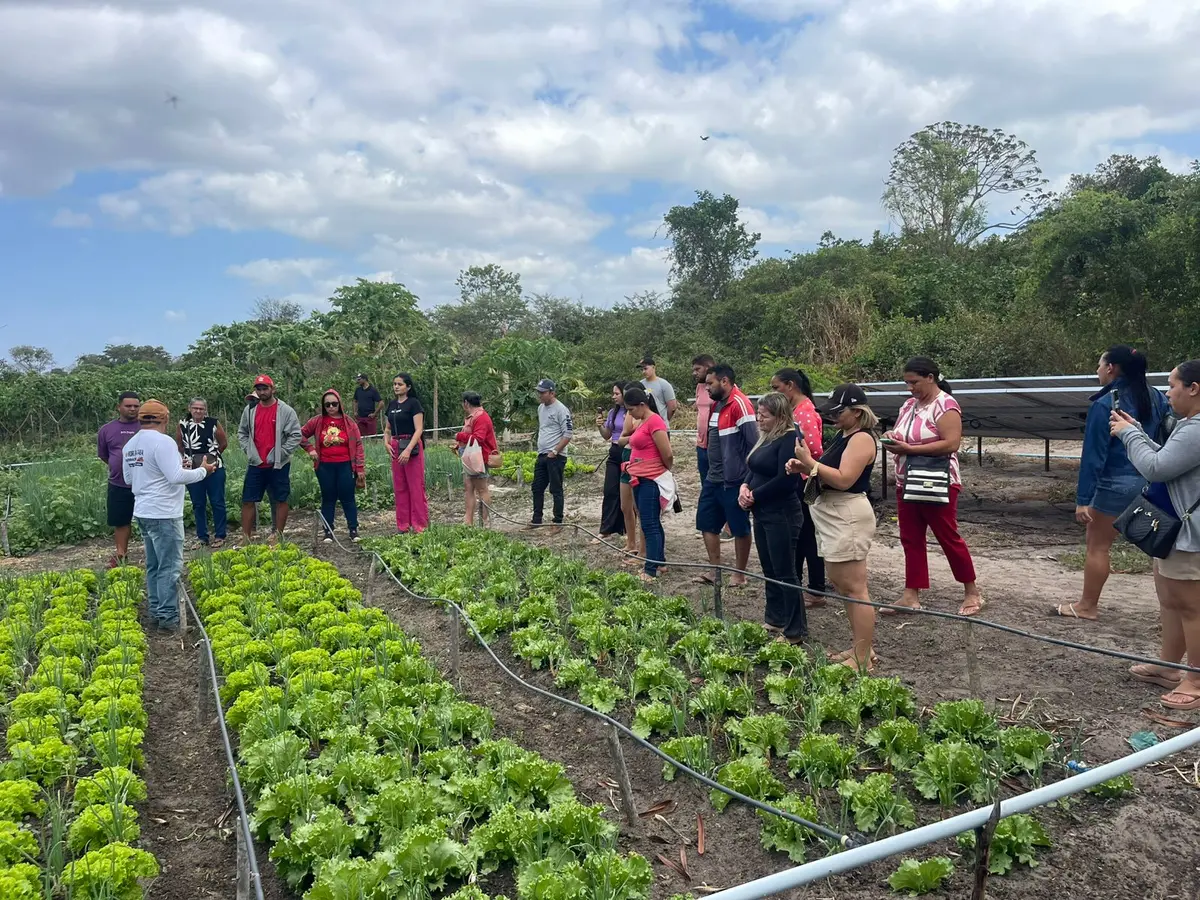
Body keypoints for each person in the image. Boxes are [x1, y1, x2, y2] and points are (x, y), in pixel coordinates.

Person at [1111, 360, 1200, 710]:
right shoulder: (1188, 425)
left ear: (1193, 388)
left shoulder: (1196, 429)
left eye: (1173, 385)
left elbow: (1157, 468)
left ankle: (1194, 679)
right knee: (1171, 601)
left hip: (1189, 533)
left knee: (1191, 607)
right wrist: (1141, 434)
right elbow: (1167, 459)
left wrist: (1129, 434)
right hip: (1176, 529)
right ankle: (1168, 667)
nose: (1167, 392)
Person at [1059, 345, 1170, 620]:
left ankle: (1087, 606)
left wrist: (1083, 499)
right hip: (1150, 481)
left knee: (1098, 546)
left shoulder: (1105, 403)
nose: (1097, 370)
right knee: (1159, 551)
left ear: (1111, 368)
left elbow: (1094, 456)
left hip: (1114, 486)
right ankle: (1172, 610)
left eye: (1099, 365)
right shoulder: (1158, 397)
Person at [883, 357, 985, 617]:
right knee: (910, 538)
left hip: (937, 482)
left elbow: (951, 443)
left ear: (931, 378)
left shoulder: (946, 405)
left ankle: (972, 592)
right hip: (907, 481)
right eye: (907, 383)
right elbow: (901, 434)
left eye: (914, 382)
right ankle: (911, 595)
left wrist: (910, 448)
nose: (910, 388)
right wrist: (893, 438)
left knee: (947, 536)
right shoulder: (909, 406)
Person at [788, 384, 879, 671]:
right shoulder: (845, 436)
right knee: (844, 586)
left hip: (847, 513)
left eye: (840, 412)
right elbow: (826, 473)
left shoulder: (862, 439)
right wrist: (805, 468)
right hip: (834, 513)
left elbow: (843, 479)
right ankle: (860, 648)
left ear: (857, 411)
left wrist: (810, 463)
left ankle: (863, 657)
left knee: (855, 588)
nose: (834, 418)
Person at [122, 400, 216, 631]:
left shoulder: (130, 444)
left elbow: (128, 479)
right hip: (164, 512)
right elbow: (174, 477)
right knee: (170, 566)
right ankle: (168, 617)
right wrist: (203, 471)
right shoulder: (163, 442)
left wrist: (176, 468)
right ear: (164, 418)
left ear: (141, 419)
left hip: (143, 511)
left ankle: (156, 611)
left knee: (154, 564)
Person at [740, 392, 805, 642]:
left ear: (780, 416)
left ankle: (794, 629)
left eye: (764, 416)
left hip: (782, 513)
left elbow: (785, 481)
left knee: (785, 571)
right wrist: (744, 488)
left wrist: (754, 494)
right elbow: (753, 467)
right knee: (769, 568)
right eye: (758, 414)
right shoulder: (766, 438)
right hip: (761, 511)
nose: (759, 419)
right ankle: (775, 618)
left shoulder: (790, 438)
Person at [695, 364, 758, 587]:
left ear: (724, 381)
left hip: (735, 480)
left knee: (739, 526)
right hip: (713, 477)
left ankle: (739, 574)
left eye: (710, 384)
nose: (706, 388)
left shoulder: (740, 404)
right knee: (706, 521)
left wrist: (748, 480)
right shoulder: (716, 406)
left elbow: (754, 443)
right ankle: (715, 570)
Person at [771, 367, 827, 608]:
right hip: (800, 480)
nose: (775, 392)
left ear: (790, 385)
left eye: (777, 388)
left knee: (806, 535)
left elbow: (814, 451)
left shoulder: (805, 413)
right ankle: (802, 584)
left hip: (805, 483)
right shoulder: (797, 411)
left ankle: (815, 589)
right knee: (801, 534)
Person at [237, 375, 302, 543]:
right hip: (256, 463)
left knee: (280, 499)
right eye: (258, 389)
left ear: (272, 389)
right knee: (248, 500)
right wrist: (249, 450)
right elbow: (242, 432)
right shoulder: (250, 410)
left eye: (265, 388)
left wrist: (282, 453)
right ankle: (246, 537)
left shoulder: (285, 410)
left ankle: (277, 535)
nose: (262, 392)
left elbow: (295, 435)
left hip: (278, 464)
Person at [623, 386, 675, 581]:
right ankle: (659, 562)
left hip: (651, 480)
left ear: (642, 404)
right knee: (651, 522)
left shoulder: (655, 422)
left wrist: (660, 470)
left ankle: (650, 569)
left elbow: (667, 453)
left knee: (649, 524)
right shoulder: (643, 420)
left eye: (631, 409)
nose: (629, 413)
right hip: (640, 478)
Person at [301, 389, 365, 542]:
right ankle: (328, 531)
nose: (331, 407)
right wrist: (310, 449)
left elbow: (358, 444)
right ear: (323, 406)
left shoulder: (349, 422)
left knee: (348, 498)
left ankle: (353, 530)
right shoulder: (317, 421)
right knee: (328, 498)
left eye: (334, 404)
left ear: (340, 404)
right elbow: (300, 434)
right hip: (324, 466)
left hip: (345, 465)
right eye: (327, 404)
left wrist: (360, 467)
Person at [176, 398, 228, 549]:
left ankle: (220, 535)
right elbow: (179, 445)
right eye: (195, 408)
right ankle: (202, 537)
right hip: (192, 469)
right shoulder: (183, 425)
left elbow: (223, 442)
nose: (198, 411)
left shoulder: (213, 423)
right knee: (198, 503)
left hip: (214, 467)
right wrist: (188, 459)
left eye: (201, 408)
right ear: (190, 408)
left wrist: (214, 456)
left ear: (205, 410)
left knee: (217, 501)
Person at [97, 391, 141, 568]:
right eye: (128, 406)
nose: (132, 409)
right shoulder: (107, 430)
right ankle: (121, 554)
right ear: (119, 407)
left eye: (136, 406)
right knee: (121, 521)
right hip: (118, 483)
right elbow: (104, 455)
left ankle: (154, 552)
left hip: (144, 484)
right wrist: (119, 466)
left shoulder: (146, 427)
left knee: (150, 519)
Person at [383, 372, 429, 534]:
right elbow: (387, 429)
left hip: (412, 446)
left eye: (400, 384)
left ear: (408, 387)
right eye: (395, 384)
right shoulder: (392, 405)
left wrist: (408, 449)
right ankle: (403, 525)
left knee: (415, 486)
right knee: (400, 487)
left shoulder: (414, 404)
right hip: (396, 446)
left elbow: (419, 429)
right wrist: (386, 443)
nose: (396, 387)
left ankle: (419, 525)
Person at [531, 379, 574, 527]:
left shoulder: (561, 409)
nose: (540, 395)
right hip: (542, 454)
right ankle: (536, 519)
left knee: (556, 489)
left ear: (552, 393)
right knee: (537, 487)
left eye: (543, 392)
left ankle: (557, 521)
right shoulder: (540, 408)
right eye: (539, 392)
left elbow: (568, 433)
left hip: (556, 456)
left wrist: (556, 451)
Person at [456, 391, 497, 526]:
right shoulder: (473, 417)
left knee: (481, 488)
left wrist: (459, 436)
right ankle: (468, 520)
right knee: (468, 487)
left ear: (466, 403)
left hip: (480, 458)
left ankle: (484, 521)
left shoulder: (481, 417)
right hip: (472, 458)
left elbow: (478, 438)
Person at [597, 382, 629, 539]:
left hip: (628, 452)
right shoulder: (613, 412)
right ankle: (606, 529)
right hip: (614, 452)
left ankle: (625, 528)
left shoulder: (632, 411)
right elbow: (606, 435)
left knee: (627, 494)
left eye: (617, 393)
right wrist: (600, 426)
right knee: (610, 490)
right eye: (613, 394)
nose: (614, 396)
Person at [692, 355, 715, 481]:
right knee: (705, 480)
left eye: (697, 369)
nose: (694, 373)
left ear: (708, 367)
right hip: (701, 444)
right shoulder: (699, 387)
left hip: (716, 443)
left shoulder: (721, 387)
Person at [638, 357, 678, 422]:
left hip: (661, 424)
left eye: (645, 369)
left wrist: (665, 419)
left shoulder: (664, 384)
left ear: (653, 367)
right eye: (641, 369)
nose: (643, 372)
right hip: (644, 424)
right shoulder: (640, 384)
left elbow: (672, 406)